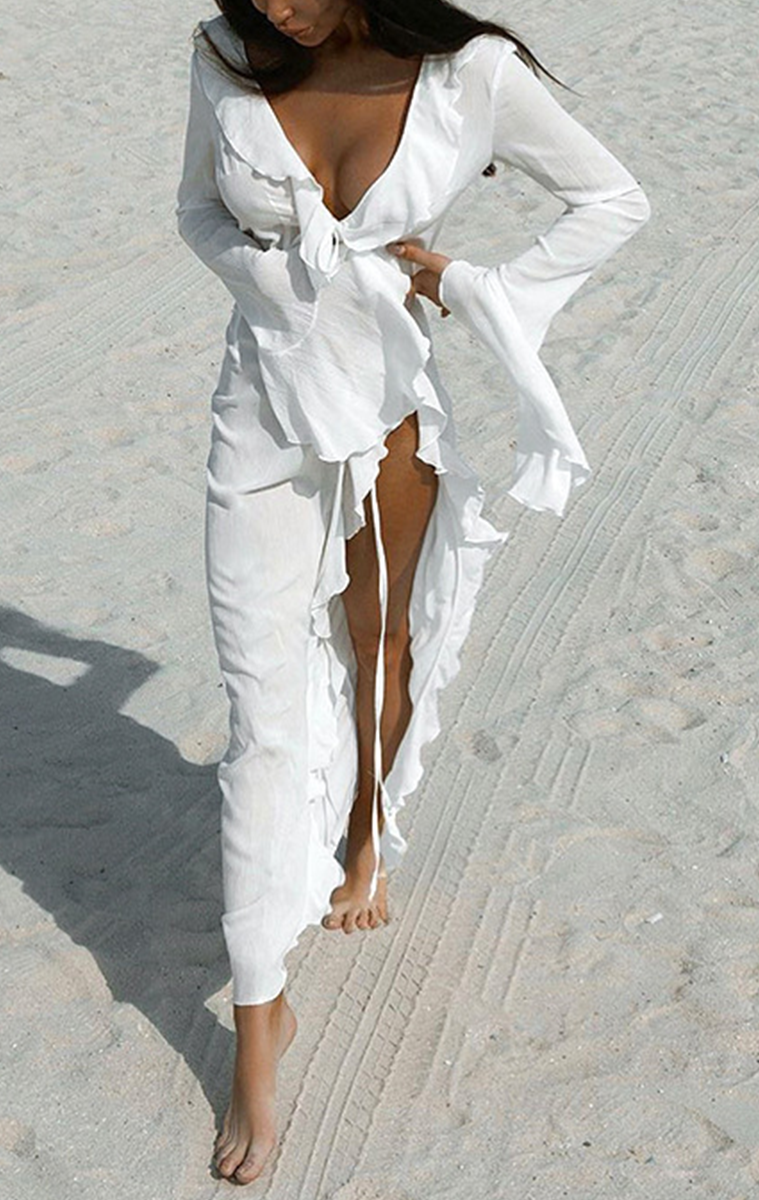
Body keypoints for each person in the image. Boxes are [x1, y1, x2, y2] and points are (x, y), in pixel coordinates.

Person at [175, 0, 649, 1183]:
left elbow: (609, 201)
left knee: (377, 635)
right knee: (259, 710)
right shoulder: (224, 58)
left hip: (390, 405)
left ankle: (364, 839)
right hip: (260, 411)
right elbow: (198, 214)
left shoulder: (465, 75)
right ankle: (258, 1023)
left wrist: (474, 285)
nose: (274, 6)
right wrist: (285, 282)